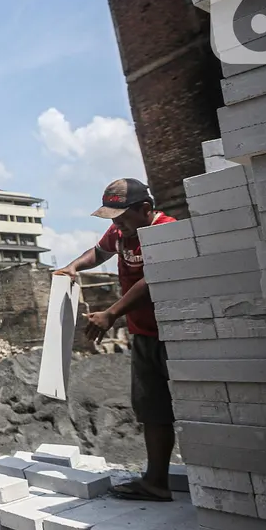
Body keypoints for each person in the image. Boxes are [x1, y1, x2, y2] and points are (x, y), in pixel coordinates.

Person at [55, 178, 177, 502]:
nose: (116, 225)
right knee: (152, 409)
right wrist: (73, 266)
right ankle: (156, 482)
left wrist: (111, 314)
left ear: (145, 210)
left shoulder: (166, 229)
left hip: (176, 334)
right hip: (143, 334)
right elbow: (99, 252)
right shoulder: (122, 232)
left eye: (121, 217)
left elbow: (153, 279)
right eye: (112, 218)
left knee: (189, 405)